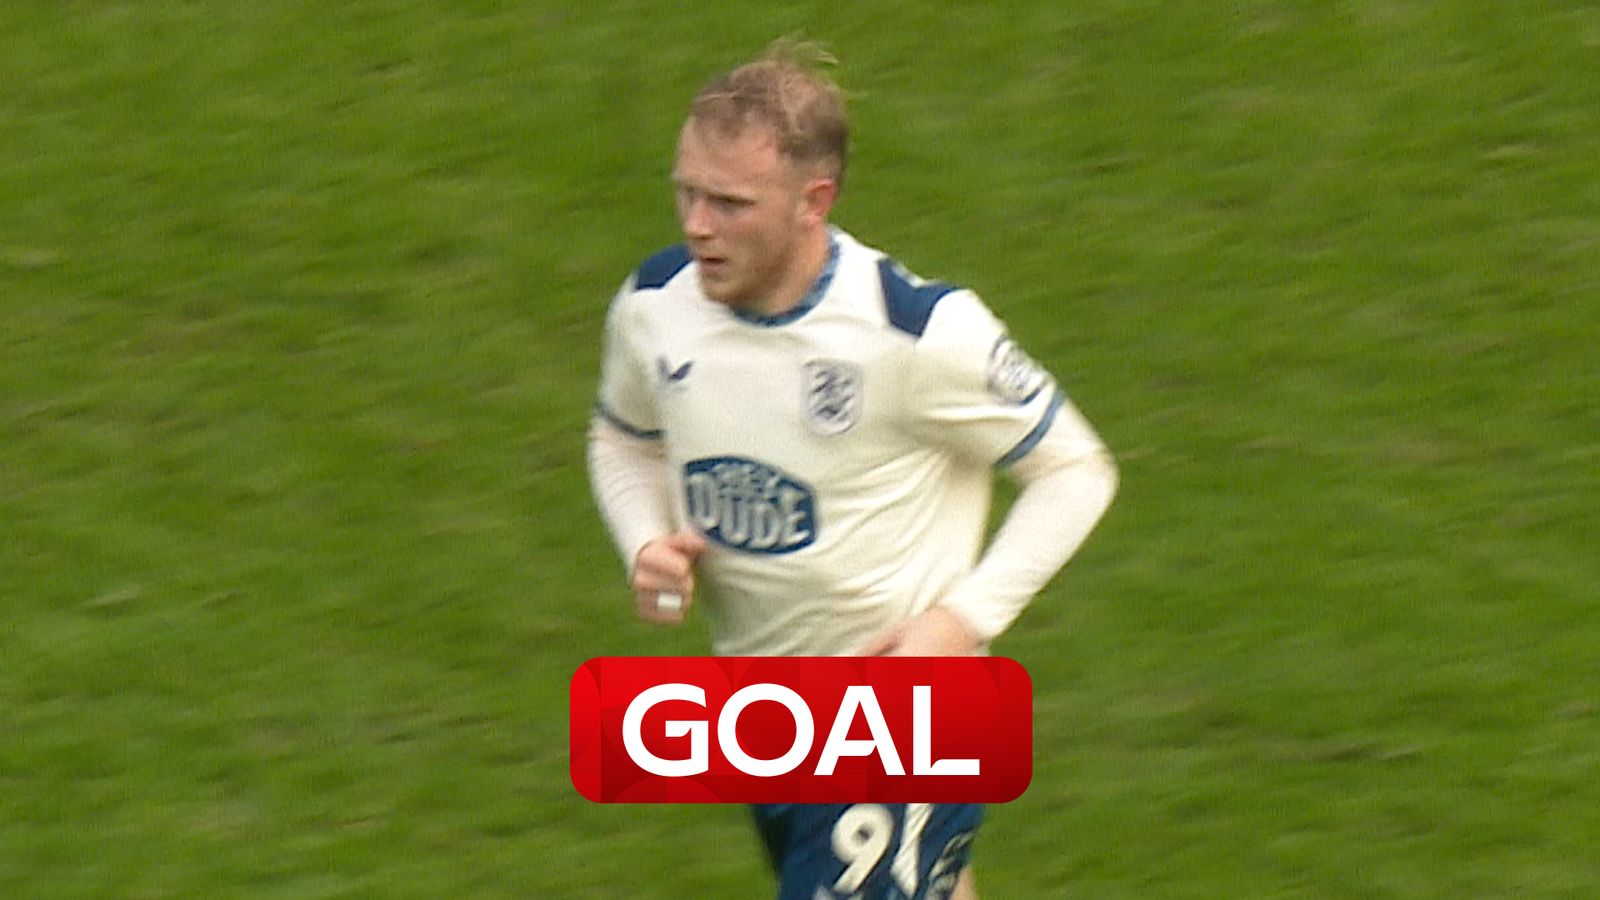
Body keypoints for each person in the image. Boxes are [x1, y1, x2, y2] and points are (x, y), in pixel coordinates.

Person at [587, 40, 1117, 900]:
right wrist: (645, 540)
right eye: (687, 192)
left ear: (814, 201)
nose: (697, 225)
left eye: (730, 204)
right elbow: (623, 439)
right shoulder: (656, 307)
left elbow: (1077, 469)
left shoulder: (915, 332)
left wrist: (959, 623)